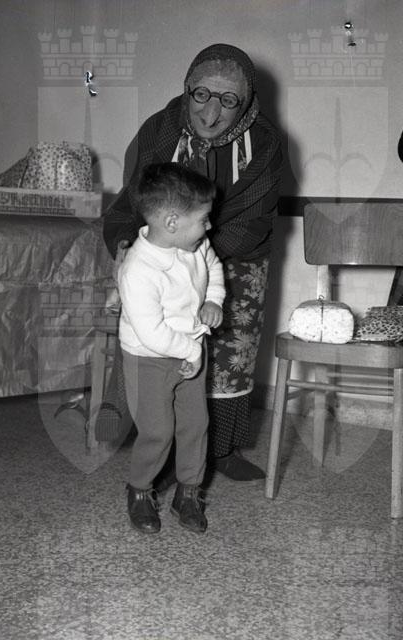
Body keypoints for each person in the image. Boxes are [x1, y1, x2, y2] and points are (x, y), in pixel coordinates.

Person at [104, 43, 283, 484]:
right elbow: (136, 196)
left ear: (247, 103)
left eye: (229, 100)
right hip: (163, 253)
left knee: (228, 354)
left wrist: (199, 259)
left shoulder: (265, 142)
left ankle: (220, 450)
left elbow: (255, 217)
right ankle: (162, 449)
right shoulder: (159, 129)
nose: (211, 112)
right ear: (186, 89)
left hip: (235, 254)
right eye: (201, 94)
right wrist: (130, 246)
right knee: (162, 343)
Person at [118, 162, 225, 534]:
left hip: (189, 348)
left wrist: (213, 299)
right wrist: (191, 351)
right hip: (148, 358)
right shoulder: (138, 270)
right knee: (158, 430)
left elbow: (214, 266)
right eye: (204, 220)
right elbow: (151, 332)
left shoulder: (195, 245)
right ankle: (139, 489)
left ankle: (188, 492)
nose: (209, 227)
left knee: (196, 424)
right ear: (172, 222)